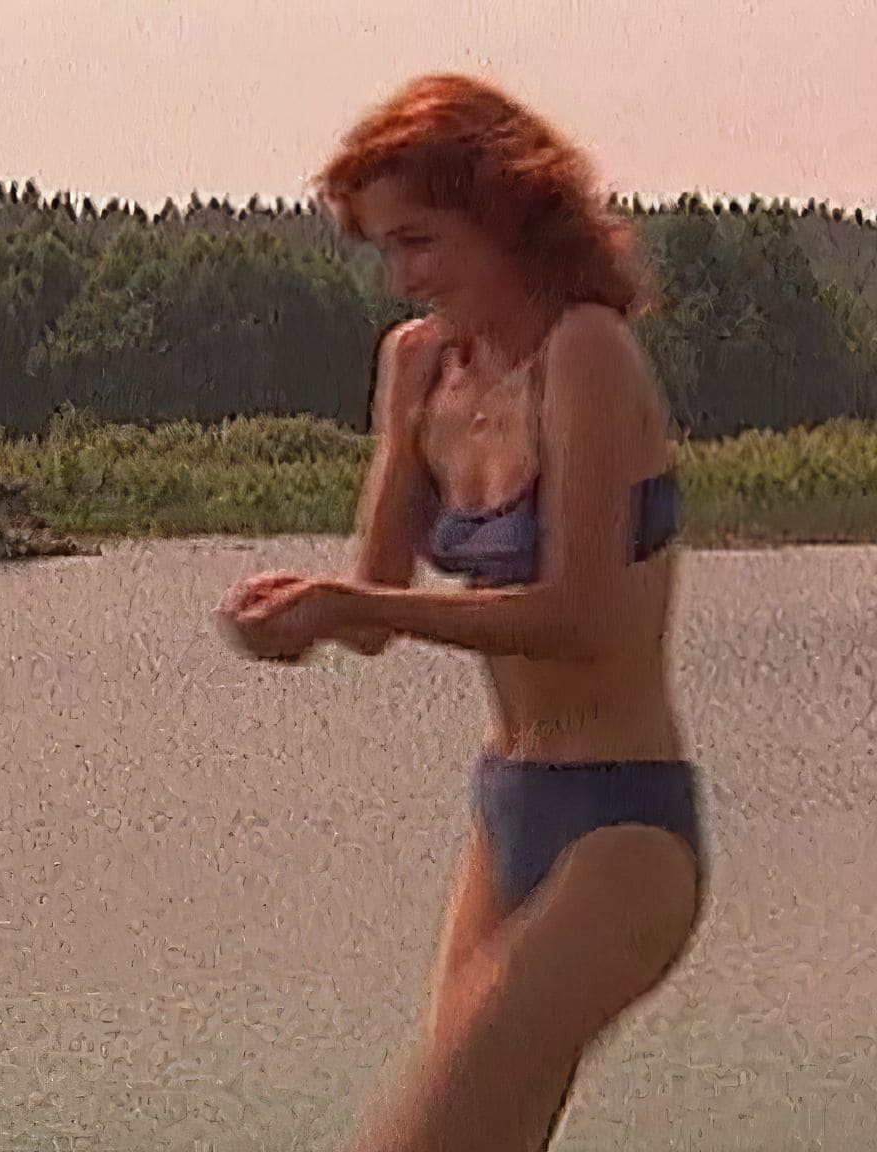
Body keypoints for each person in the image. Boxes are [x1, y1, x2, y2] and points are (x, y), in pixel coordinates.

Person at [215, 72, 708, 1152]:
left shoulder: (585, 351)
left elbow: (581, 613)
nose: (404, 276)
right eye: (385, 249)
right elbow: (372, 613)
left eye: (421, 240)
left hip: (624, 831)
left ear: (504, 209)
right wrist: (297, 614)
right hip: (506, 813)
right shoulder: (418, 366)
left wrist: (351, 602)